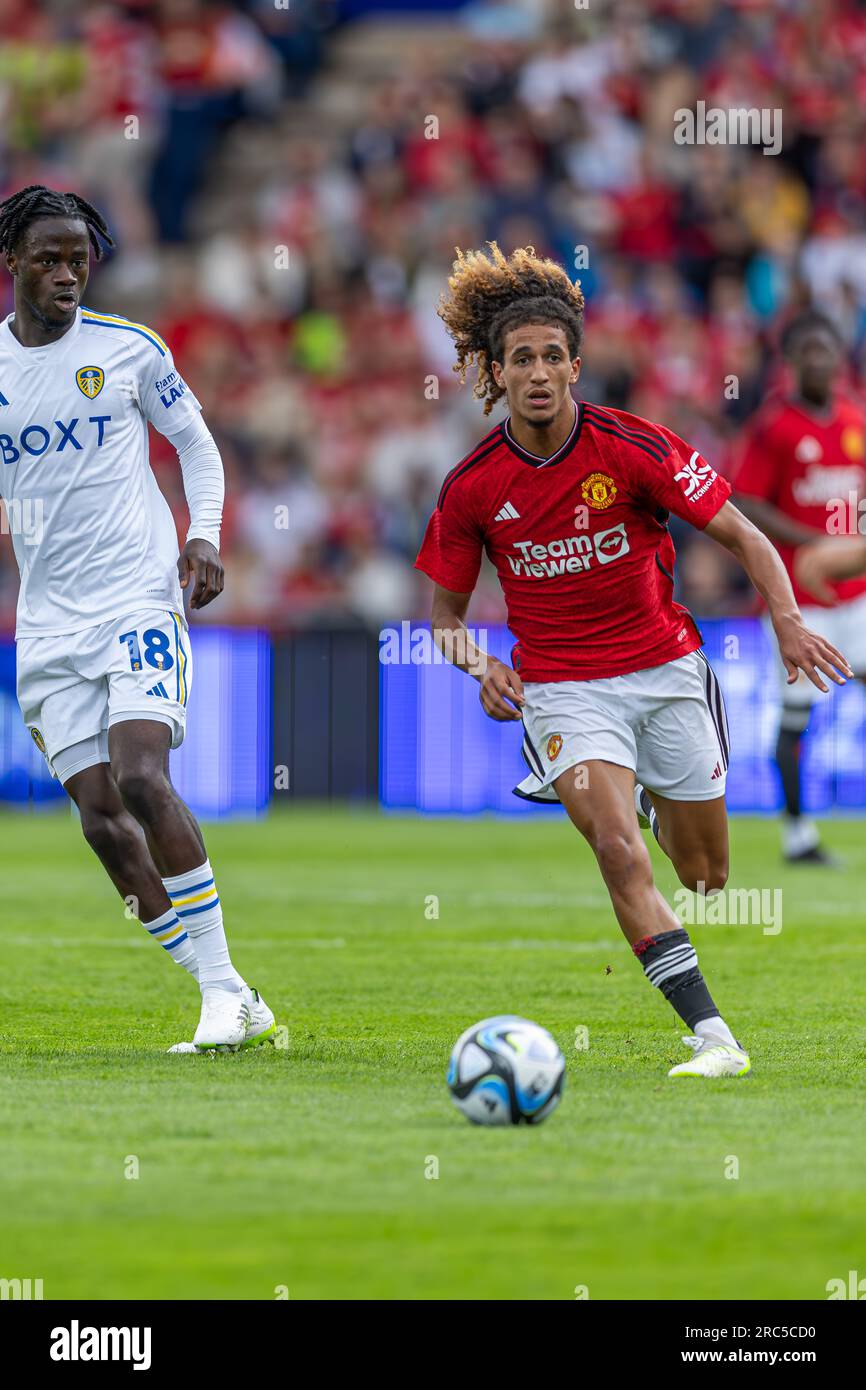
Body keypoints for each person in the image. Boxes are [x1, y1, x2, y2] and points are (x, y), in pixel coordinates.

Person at [415, 244, 851, 1079]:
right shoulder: (472, 486)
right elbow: (443, 620)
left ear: (576, 365)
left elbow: (747, 535)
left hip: (666, 672)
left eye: (552, 357)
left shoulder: (634, 447)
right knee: (617, 851)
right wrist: (481, 666)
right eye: (520, 360)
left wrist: (788, 623)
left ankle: (654, 799)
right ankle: (713, 1037)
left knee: (708, 875)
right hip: (562, 691)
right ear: (494, 374)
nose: (538, 373)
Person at [0, 184, 274, 1052]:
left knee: (143, 777)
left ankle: (223, 992)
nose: (68, 273)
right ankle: (226, 988)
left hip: (135, 595)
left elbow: (194, 441)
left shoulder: (128, 351)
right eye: (49, 258)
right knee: (100, 820)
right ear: (12, 264)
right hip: (46, 623)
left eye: (80, 258)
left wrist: (205, 536)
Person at [732, 309, 866, 863]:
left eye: (826, 348)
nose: (819, 359)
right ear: (790, 362)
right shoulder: (774, 426)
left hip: (856, 595)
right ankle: (797, 835)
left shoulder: (855, 419)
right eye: (807, 350)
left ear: (839, 357)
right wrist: (814, 542)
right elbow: (747, 501)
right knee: (797, 714)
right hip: (798, 601)